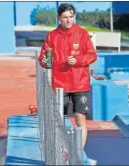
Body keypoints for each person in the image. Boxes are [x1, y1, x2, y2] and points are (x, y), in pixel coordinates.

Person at [38, 3, 97, 149]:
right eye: (65, 17)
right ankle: (62, 149)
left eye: (71, 17)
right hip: (60, 85)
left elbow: (92, 56)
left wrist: (78, 60)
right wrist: (47, 60)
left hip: (80, 84)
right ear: (58, 18)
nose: (68, 20)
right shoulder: (52, 36)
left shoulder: (82, 33)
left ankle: (78, 153)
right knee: (59, 119)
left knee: (79, 118)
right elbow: (43, 60)